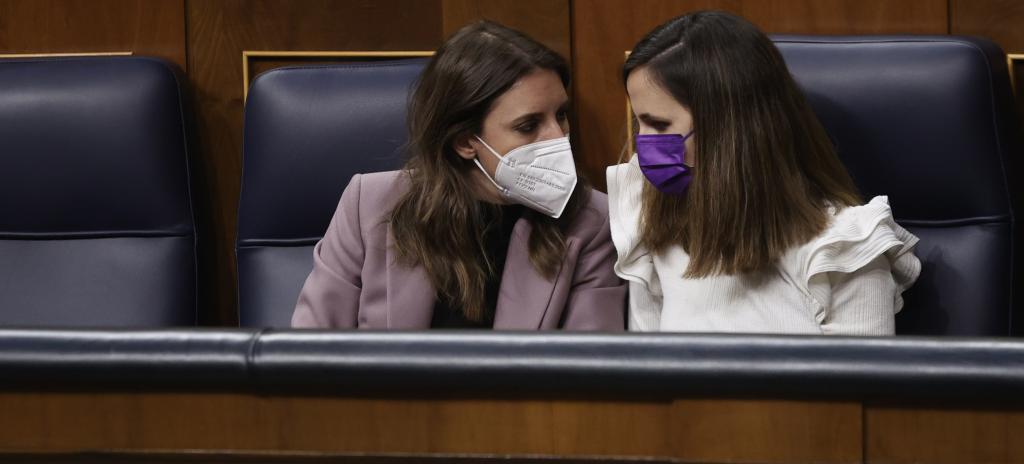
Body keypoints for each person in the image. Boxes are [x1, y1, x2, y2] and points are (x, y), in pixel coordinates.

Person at [292, 21, 625, 330]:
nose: (558, 137)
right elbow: (308, 356)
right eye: (528, 125)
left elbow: (587, 377)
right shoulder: (368, 204)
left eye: (561, 115)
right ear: (465, 141)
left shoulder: (592, 221)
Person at [608, 11, 920, 335]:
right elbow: (646, 373)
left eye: (659, 125)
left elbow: (863, 384)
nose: (643, 144)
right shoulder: (651, 214)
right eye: (639, 122)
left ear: (728, 129)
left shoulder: (846, 249)